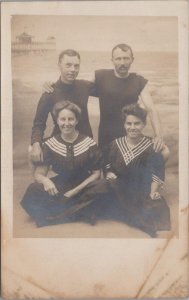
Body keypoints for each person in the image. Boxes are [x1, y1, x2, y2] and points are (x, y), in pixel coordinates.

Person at [44, 44, 166, 153]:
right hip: (106, 135)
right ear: (112, 60)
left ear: (132, 60)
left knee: (164, 152)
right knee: (108, 173)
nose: (122, 62)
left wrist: (158, 136)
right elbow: (75, 85)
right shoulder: (101, 76)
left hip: (131, 131)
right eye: (118, 58)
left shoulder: (138, 81)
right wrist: (53, 85)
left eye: (126, 58)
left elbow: (151, 109)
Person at [21, 101, 103, 227]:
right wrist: (46, 181)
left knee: (102, 187)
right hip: (61, 185)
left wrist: (74, 191)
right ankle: (77, 212)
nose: (66, 123)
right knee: (33, 190)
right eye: (62, 119)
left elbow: (96, 174)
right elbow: (39, 174)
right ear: (57, 121)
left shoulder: (89, 143)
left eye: (71, 119)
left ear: (76, 121)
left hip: (84, 186)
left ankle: (57, 214)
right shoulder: (50, 144)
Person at [97, 104, 171, 237]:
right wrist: (109, 173)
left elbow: (157, 173)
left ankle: (135, 218)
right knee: (96, 193)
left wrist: (153, 192)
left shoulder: (151, 146)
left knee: (155, 205)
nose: (132, 127)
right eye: (128, 123)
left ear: (144, 125)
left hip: (140, 190)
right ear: (124, 125)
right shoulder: (116, 144)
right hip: (118, 187)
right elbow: (107, 163)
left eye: (137, 124)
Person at [30, 49, 96, 163]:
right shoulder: (50, 92)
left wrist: (135, 79)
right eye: (68, 65)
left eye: (76, 66)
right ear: (59, 65)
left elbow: (109, 86)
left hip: (85, 142)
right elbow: (39, 123)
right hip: (60, 144)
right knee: (31, 150)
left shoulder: (85, 86)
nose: (73, 70)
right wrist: (36, 144)